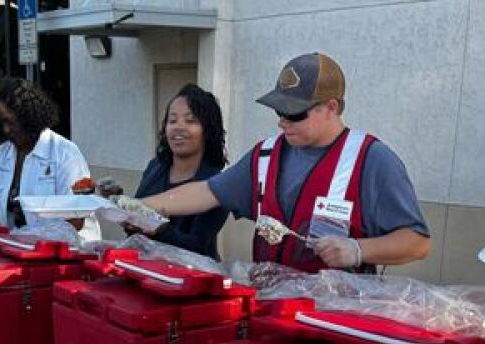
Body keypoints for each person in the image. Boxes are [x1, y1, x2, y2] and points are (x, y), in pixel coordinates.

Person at [138, 52, 429, 272]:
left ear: (332, 107)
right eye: (279, 111)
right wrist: (137, 207)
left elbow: (416, 242)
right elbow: (206, 192)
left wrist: (358, 250)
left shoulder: (372, 160)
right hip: (270, 308)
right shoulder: (265, 155)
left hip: (333, 316)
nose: (283, 122)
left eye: (295, 113)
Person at [0, 77, 96, 240]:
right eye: (0, 123)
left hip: (66, 253)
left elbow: (76, 219)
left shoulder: (65, 153)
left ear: (28, 116)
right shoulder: (3, 153)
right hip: (17, 249)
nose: (6, 130)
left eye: (10, 122)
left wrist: (29, 214)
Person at [128, 83, 228, 259]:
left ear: (208, 130)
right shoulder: (155, 168)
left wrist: (158, 228)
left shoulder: (216, 185)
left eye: (190, 120)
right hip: (144, 269)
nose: (178, 127)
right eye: (172, 120)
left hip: (192, 277)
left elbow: (197, 247)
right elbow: (135, 221)